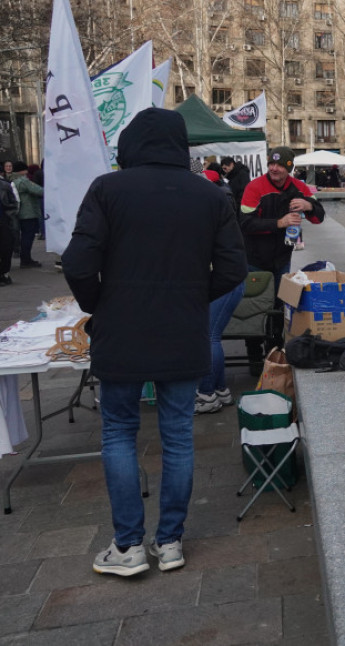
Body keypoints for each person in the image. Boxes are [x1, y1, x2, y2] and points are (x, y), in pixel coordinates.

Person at [62, 107, 248, 576]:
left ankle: (127, 547)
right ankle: (170, 543)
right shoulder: (209, 196)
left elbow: (79, 263)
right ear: (180, 146)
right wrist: (190, 298)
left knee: (119, 432)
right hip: (181, 331)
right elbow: (232, 269)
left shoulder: (107, 189)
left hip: (120, 330)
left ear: (130, 146)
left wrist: (99, 305)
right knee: (178, 437)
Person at [195, 169, 246, 414]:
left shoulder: (209, 204)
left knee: (208, 337)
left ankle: (206, 394)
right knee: (211, 336)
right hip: (231, 278)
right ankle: (220, 390)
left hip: (225, 279)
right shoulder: (218, 199)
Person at [239, 146, 325, 290]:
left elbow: (319, 218)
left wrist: (308, 205)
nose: (274, 168)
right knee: (258, 303)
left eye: (280, 165)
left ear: (289, 168)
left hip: (283, 259)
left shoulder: (299, 187)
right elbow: (245, 223)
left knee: (280, 303)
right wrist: (279, 223)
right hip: (254, 260)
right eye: (271, 164)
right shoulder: (254, 187)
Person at [10, 161, 44, 267]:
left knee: (24, 236)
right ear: (22, 170)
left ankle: (25, 259)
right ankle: (26, 260)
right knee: (27, 237)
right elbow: (38, 190)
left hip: (19, 212)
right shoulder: (23, 181)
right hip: (28, 212)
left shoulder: (12, 180)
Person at [0, 175, 15, 285]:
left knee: (6, 248)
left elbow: (13, 203)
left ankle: (4, 272)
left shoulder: (4, 185)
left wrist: (8, 217)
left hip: (3, 222)